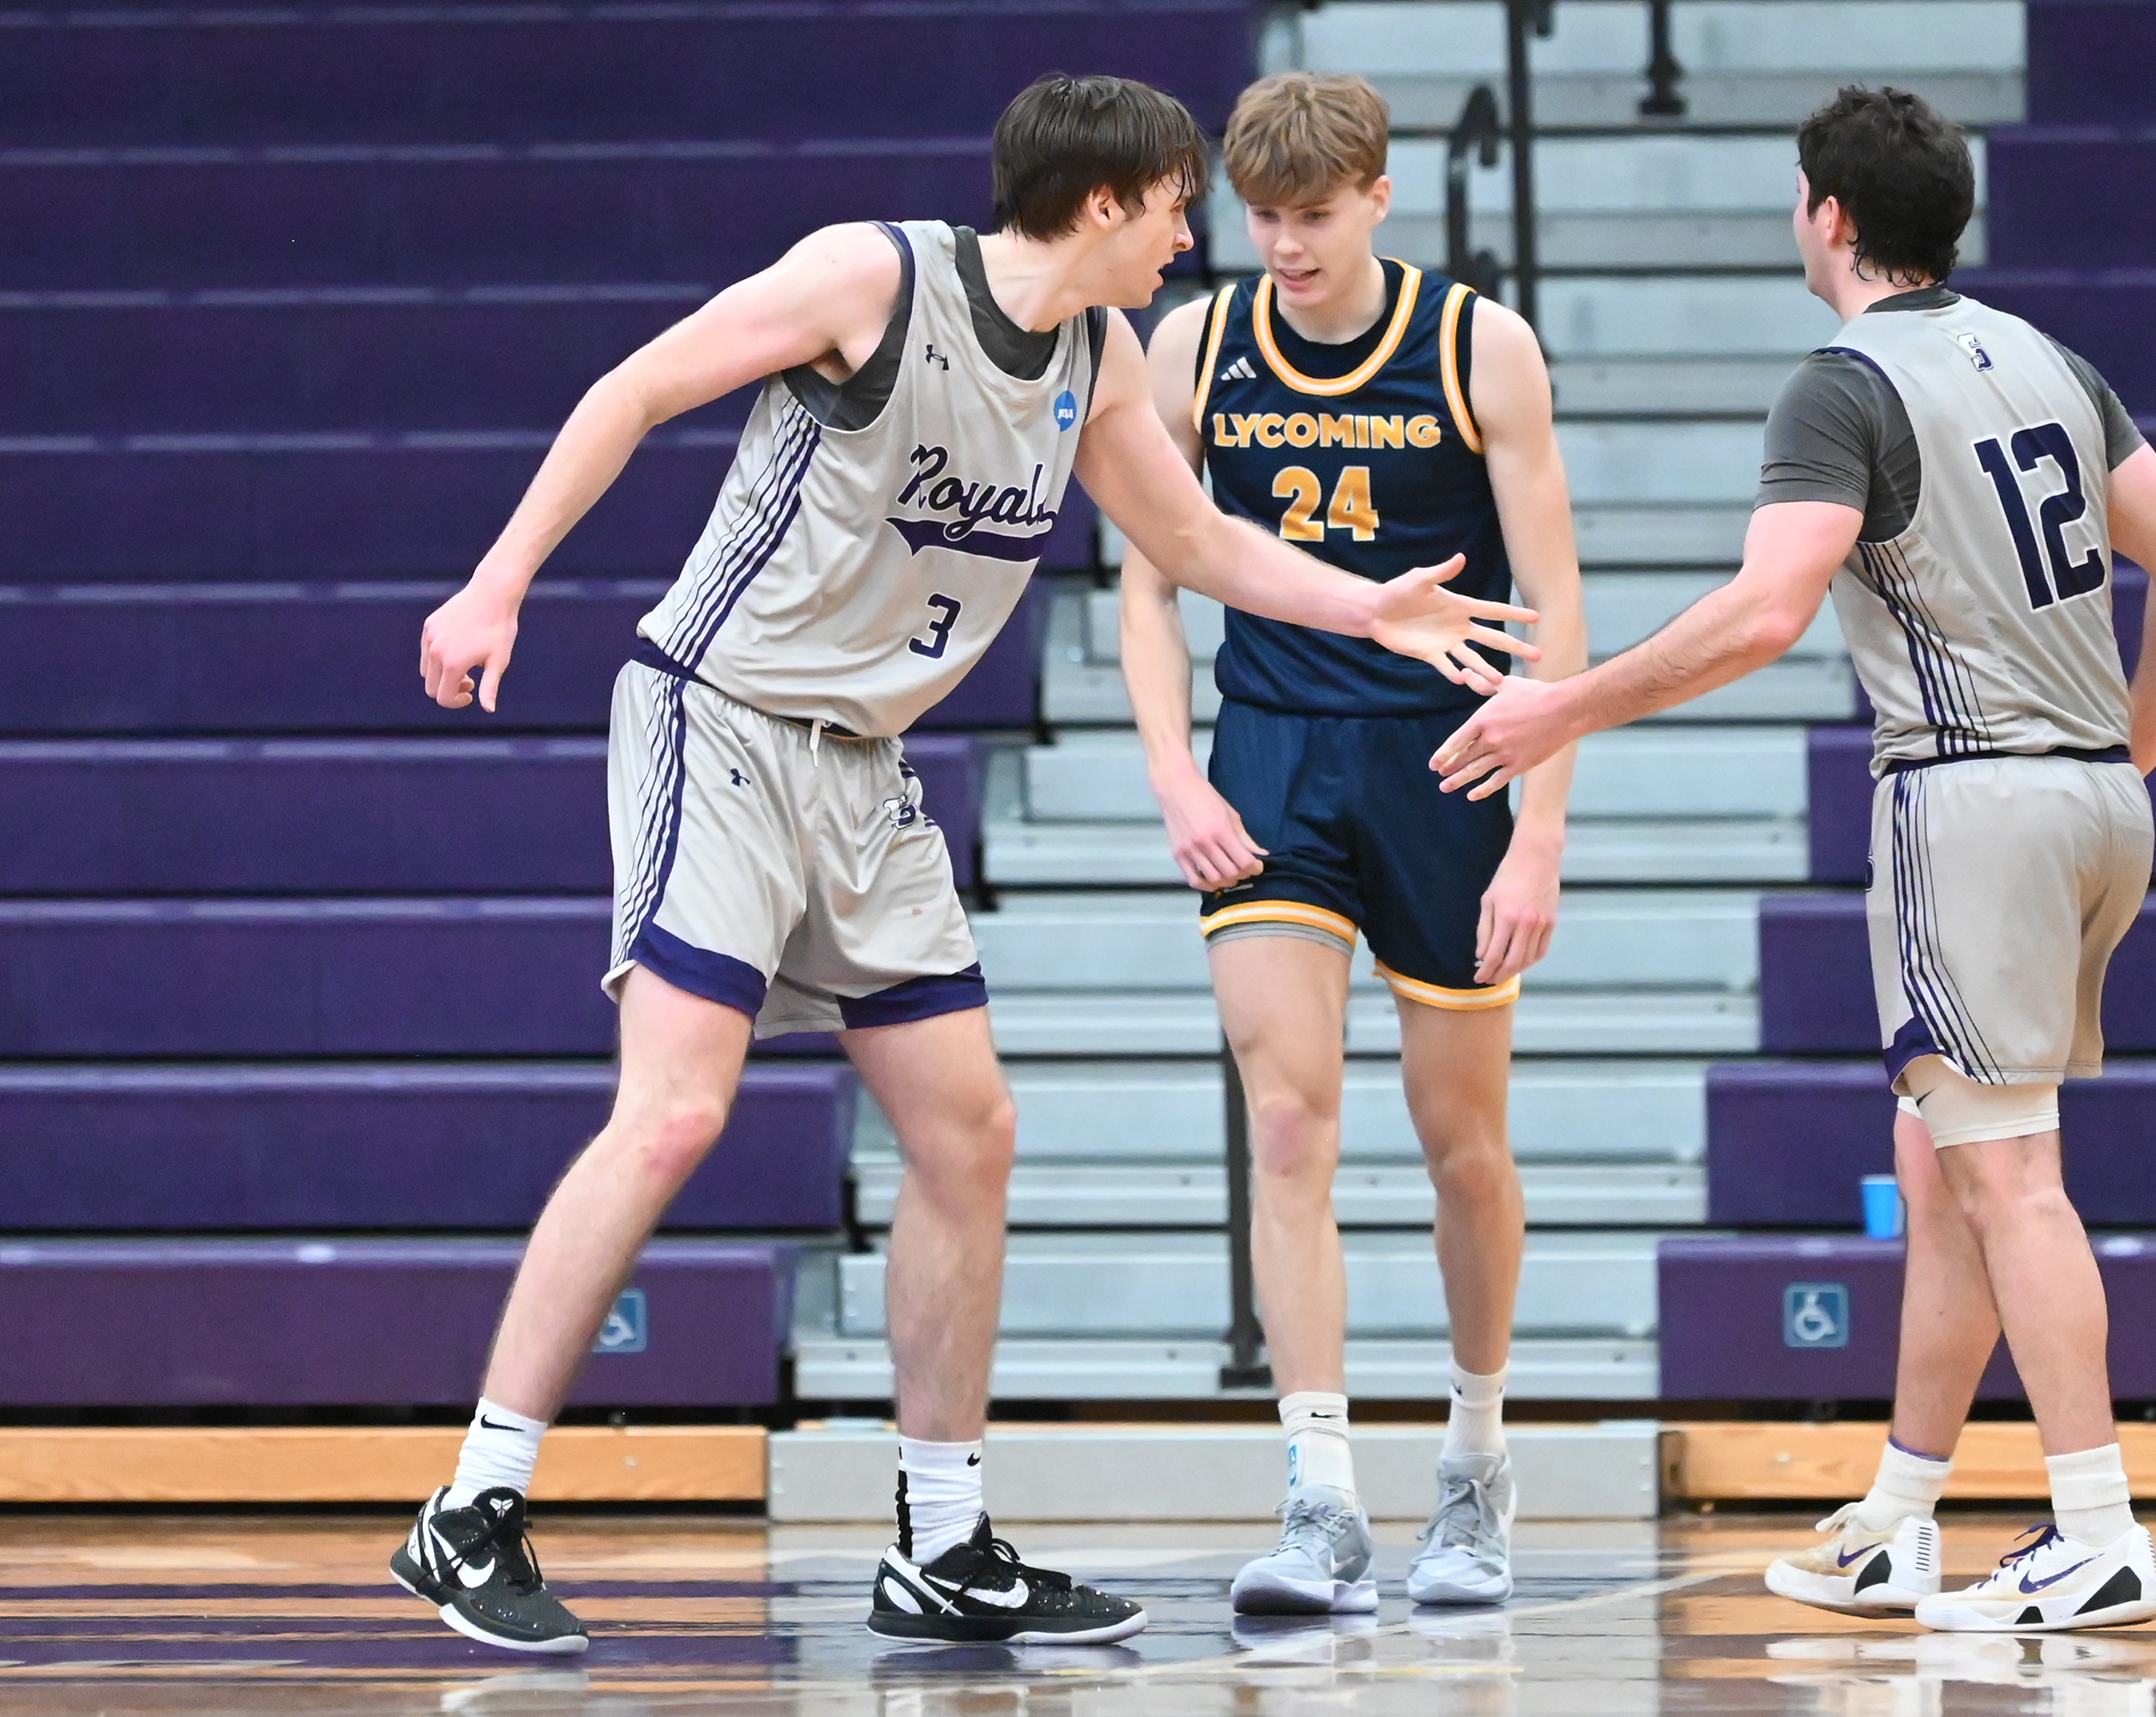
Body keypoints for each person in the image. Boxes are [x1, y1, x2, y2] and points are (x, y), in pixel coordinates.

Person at [399, 73, 1535, 1656]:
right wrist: (496, 583)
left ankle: (940, 1540)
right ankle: (474, 1503)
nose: (1192, 236)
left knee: (972, 1132)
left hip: (863, 771)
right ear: (1101, 204)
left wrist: (1371, 607)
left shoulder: (1101, 353)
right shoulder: (870, 279)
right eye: (1175, 206)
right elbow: (635, 387)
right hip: (721, 720)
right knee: (674, 1110)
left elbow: (1196, 544)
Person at [1428, 85, 2156, 1633]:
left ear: (1835, 218)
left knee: (2007, 1181)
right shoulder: (2049, 360)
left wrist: (1563, 709)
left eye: (1802, 196)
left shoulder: (1843, 383)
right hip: (2088, 803)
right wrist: (2123, 756)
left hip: (1968, 799)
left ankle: (2099, 1523)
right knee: (1945, 1171)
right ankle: (1901, 1514)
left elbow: (1764, 609)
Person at [1117, 71, 1586, 1615]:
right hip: (1273, 759)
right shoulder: (1197, 344)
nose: (1284, 246)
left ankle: (1475, 1464)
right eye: (1260, 218)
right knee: (1291, 1125)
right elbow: (1148, 583)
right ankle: (1319, 1493)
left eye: (1313, 216)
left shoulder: (1478, 345)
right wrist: (1178, 775)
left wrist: (1540, 833)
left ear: (1381, 197)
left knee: (1464, 1147)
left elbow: (1558, 607)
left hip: (1445, 771)